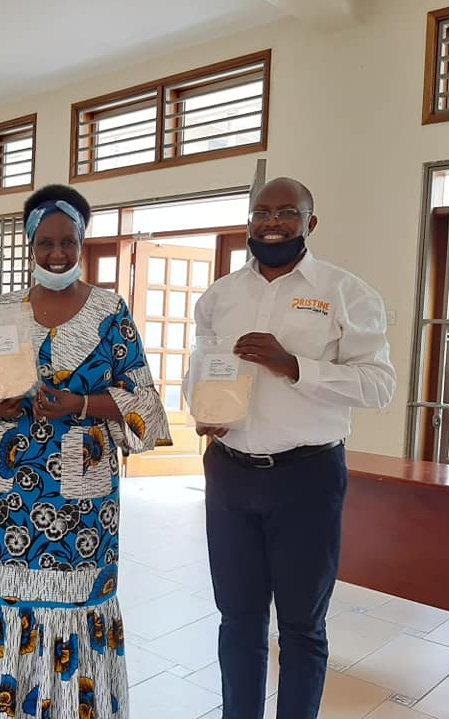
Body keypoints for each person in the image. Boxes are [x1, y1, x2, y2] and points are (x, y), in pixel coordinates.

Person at [0, 185, 171, 719]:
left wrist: (81, 403)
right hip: (9, 493)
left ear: (81, 242)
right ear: (30, 244)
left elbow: (145, 401)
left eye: (67, 242)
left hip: (83, 495)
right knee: (6, 595)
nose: (57, 254)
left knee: (77, 602)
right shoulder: (5, 311)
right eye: (46, 242)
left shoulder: (110, 312)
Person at [184, 178, 396, 719]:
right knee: (237, 618)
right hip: (230, 475)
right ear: (249, 221)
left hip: (307, 477)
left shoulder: (346, 292)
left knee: (301, 625)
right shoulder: (220, 296)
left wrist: (294, 366)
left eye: (286, 212)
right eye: (261, 212)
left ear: (310, 223)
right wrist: (204, 408)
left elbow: (379, 385)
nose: (272, 222)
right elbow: (199, 371)